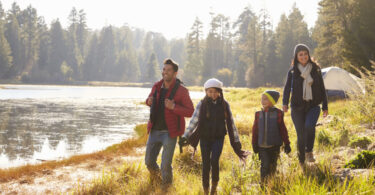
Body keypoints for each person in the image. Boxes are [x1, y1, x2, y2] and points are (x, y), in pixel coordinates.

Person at [180, 78, 249, 195]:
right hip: (204, 138)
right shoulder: (201, 104)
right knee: (206, 163)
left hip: (218, 138)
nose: (213, 94)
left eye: (215, 91)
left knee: (214, 160)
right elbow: (193, 121)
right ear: (206, 92)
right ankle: (206, 190)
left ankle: (214, 188)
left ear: (219, 92)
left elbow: (231, 124)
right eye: (210, 91)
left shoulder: (224, 105)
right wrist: (185, 136)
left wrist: (236, 142)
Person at [145, 58, 194, 187]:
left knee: (165, 165)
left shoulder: (182, 91)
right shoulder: (156, 86)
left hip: (170, 133)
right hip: (154, 130)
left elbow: (190, 111)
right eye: (164, 69)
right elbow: (148, 100)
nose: (165, 72)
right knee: (149, 162)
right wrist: (148, 102)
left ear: (175, 73)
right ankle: (157, 181)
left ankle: (166, 188)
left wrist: (174, 107)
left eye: (168, 70)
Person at [283, 44, 328, 165]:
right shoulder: (292, 72)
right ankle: (301, 159)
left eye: (305, 54)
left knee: (309, 126)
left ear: (309, 55)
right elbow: (287, 88)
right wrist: (284, 103)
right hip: (297, 107)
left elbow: (322, 88)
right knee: (300, 134)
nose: (303, 56)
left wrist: (325, 106)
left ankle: (309, 152)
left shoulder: (316, 69)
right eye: (300, 54)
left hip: (313, 106)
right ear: (296, 56)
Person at [252, 90, 291, 183]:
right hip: (262, 146)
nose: (263, 101)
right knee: (264, 165)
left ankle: (271, 183)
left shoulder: (278, 113)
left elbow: (283, 129)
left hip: (275, 146)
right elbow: (255, 130)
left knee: (273, 165)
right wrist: (254, 143)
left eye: (265, 99)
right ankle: (263, 185)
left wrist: (287, 143)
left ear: (272, 101)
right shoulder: (258, 114)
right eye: (262, 99)